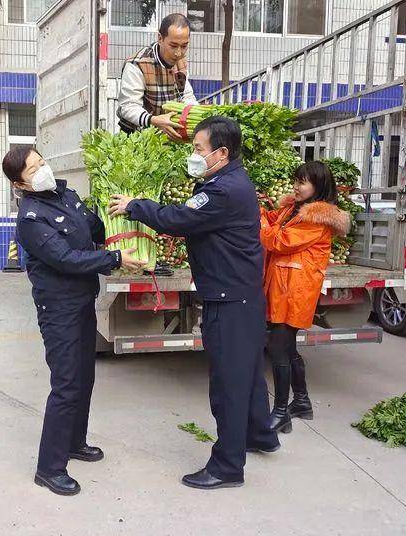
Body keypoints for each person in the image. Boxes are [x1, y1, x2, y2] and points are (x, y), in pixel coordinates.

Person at [109, 116, 279, 490]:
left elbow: (178, 219)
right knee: (247, 376)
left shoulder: (222, 190)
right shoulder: (230, 181)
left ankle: (227, 467)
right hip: (242, 297)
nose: (194, 155)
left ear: (221, 152)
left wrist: (136, 205)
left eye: (198, 149)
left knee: (228, 385)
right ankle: (261, 436)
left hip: (230, 301)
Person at [2, 146, 144, 496]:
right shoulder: (31, 219)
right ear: (20, 182)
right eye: (33, 169)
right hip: (58, 309)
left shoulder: (66, 194)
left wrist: (120, 213)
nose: (42, 170)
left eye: (42, 162)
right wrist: (114, 258)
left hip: (82, 301)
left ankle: (75, 442)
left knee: (84, 376)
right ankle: (49, 468)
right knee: (66, 383)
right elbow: (66, 259)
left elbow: (93, 228)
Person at [260, 162, 350, 433]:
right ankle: (301, 402)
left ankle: (280, 413)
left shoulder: (318, 219)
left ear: (319, 186)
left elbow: (279, 240)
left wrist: (259, 221)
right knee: (286, 348)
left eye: (303, 182)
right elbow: (273, 220)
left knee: (277, 348)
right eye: (296, 181)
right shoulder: (293, 209)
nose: (296, 186)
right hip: (283, 288)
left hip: (295, 291)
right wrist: (259, 211)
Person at [117, 13, 197, 140]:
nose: (178, 53)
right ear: (160, 38)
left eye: (184, 46)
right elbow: (128, 106)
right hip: (135, 136)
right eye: (173, 46)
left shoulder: (181, 62)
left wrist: (196, 113)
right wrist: (154, 120)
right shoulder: (137, 64)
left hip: (166, 135)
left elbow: (186, 96)